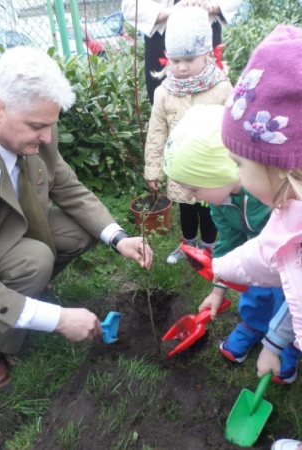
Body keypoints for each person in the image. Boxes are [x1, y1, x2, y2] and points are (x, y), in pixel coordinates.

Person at [0, 46, 153, 393]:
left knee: (80, 232)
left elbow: (69, 188)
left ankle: (21, 295)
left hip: (9, 232)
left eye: (50, 125)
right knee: (35, 261)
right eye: (37, 126)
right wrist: (59, 319)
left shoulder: (34, 132)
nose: (48, 137)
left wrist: (117, 237)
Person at [162, 103, 299, 383]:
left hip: (289, 261)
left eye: (193, 188)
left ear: (218, 173)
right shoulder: (220, 202)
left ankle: (286, 344)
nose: (191, 195)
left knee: (288, 298)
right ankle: (253, 325)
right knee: (255, 290)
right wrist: (217, 292)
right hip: (258, 258)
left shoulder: (270, 194)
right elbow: (229, 245)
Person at [212, 24, 302, 450]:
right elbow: (265, 260)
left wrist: (272, 343)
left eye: (240, 163)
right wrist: (219, 268)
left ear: (279, 164)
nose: (237, 176)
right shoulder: (292, 213)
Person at [143, 7, 231, 264]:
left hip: (212, 167)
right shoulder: (164, 92)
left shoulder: (222, 88)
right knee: (187, 208)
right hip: (180, 169)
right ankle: (188, 244)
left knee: (211, 208)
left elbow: (233, 127)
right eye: (175, 60)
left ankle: (211, 246)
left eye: (189, 60)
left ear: (206, 54)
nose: (181, 68)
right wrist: (153, 170)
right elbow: (157, 133)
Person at [121, 0, 242, 104]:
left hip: (205, 31)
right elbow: (130, 6)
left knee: (213, 101)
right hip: (161, 36)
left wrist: (213, 5)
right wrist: (170, 11)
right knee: (165, 106)